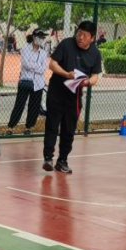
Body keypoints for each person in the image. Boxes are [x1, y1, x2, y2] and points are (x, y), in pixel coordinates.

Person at [43, 20, 103, 174]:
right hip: (57, 91)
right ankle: (48, 158)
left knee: (69, 129)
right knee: (52, 125)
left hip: (74, 96)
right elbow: (52, 64)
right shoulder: (66, 44)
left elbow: (95, 76)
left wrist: (87, 82)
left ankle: (62, 160)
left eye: (84, 35)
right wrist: (66, 74)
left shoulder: (95, 53)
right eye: (79, 33)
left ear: (92, 38)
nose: (80, 37)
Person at [8, 30, 49, 135]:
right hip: (25, 81)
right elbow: (25, 64)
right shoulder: (25, 49)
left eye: (43, 37)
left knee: (34, 107)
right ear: (34, 37)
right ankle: (11, 127)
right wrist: (37, 66)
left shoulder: (43, 53)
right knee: (19, 105)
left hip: (38, 84)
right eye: (40, 37)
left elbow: (43, 69)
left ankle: (28, 127)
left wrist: (33, 66)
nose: (42, 39)